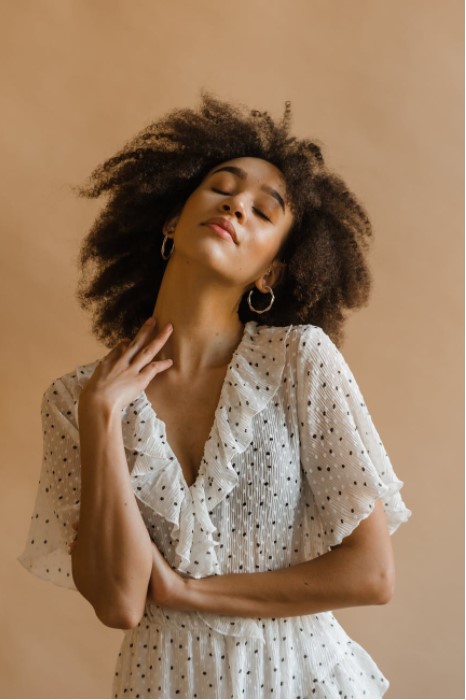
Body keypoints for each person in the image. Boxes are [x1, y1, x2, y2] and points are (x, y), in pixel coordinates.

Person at [19, 92, 411, 699]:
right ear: (172, 220)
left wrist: (189, 593)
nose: (236, 204)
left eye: (264, 211)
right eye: (221, 188)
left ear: (271, 273)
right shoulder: (76, 399)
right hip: (161, 682)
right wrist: (101, 417)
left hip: (300, 680)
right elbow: (120, 602)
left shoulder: (299, 362)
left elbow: (371, 573)